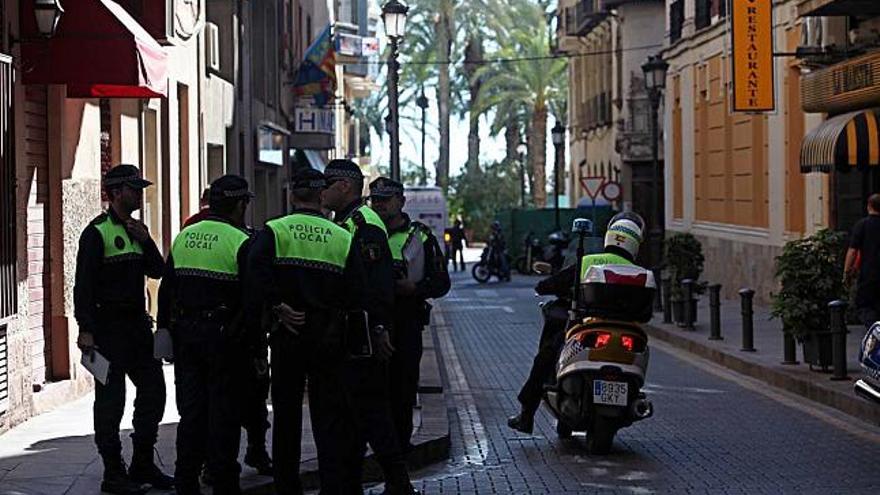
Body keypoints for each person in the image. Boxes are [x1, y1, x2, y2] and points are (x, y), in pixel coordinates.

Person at [245, 168, 366, 494]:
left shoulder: (275, 231)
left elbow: (253, 276)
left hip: (288, 334)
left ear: (292, 195)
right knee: (328, 418)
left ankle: (288, 486)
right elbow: (356, 293)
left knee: (286, 417)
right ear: (321, 196)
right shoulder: (341, 236)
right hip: (328, 339)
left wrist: (276, 306)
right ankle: (331, 486)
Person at [74, 164, 172, 495]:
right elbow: (82, 286)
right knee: (110, 402)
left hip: (136, 329)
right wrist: (85, 329)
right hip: (106, 331)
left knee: (154, 393)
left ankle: (142, 462)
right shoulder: (96, 233)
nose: (139, 194)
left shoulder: (136, 231)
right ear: (116, 192)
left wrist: (147, 241)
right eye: (134, 188)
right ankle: (113, 473)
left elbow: (158, 271)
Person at [321, 159, 417, 495]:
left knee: (372, 412)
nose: (322, 190)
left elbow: (375, 286)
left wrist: (377, 329)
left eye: (327, 183)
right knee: (354, 415)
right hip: (351, 333)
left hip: (361, 335)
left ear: (345, 186)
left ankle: (398, 481)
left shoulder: (364, 224)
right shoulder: (345, 221)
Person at [157, 175, 254, 495]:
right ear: (240, 205)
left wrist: (165, 332)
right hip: (226, 340)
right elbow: (252, 300)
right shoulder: (241, 241)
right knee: (224, 414)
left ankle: (186, 482)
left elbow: (166, 290)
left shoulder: (185, 237)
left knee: (191, 414)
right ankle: (223, 480)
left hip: (186, 337)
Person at [507, 215, 644, 434]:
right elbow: (645, 314)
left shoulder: (589, 262)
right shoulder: (640, 273)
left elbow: (554, 283)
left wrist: (544, 285)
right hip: (625, 337)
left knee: (545, 359)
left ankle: (526, 415)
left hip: (585, 330)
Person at [369, 177, 451, 451]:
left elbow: (441, 282)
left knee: (402, 394)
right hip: (368, 326)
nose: (380, 205)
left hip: (405, 325)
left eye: (386, 199)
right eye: (376, 199)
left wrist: (414, 288)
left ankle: (399, 456)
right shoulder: (363, 232)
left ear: (401, 202)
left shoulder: (421, 236)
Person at [845, 193, 880, 329]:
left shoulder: (862, 225)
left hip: (868, 275)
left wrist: (847, 272)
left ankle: (875, 334)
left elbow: (852, 251)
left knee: (865, 308)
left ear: (869, 206)